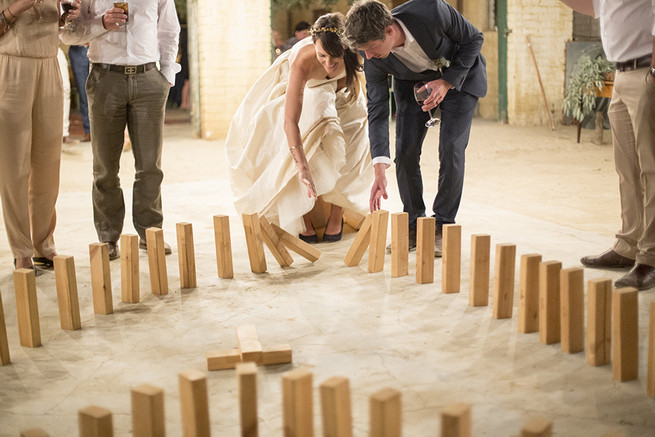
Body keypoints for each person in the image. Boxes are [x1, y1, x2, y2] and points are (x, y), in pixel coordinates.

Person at [344, 0, 486, 256]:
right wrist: (379, 163)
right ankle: (414, 224)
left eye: (371, 49)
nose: (368, 57)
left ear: (388, 31)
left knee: (451, 148)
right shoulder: (373, 59)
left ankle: (442, 225)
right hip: (412, 84)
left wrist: (446, 82)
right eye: (363, 51)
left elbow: (474, 39)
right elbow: (377, 110)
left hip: (459, 77)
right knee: (405, 152)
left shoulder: (430, 11)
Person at [225, 13, 372, 243]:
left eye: (335, 57)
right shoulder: (303, 60)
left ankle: (337, 214)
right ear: (314, 47)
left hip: (342, 91)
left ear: (346, 48)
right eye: (322, 55)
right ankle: (303, 217)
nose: (329, 64)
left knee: (355, 130)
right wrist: (301, 165)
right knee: (299, 131)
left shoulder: (358, 54)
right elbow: (290, 120)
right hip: (305, 87)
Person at [60, 0, 180, 260]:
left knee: (150, 165)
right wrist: (101, 23)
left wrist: (166, 74)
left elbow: (169, 30)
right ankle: (108, 237)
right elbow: (69, 33)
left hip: (148, 78)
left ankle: (151, 232)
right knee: (105, 167)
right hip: (105, 78)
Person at [559, 0, 655, 290]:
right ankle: (629, 245)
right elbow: (593, 6)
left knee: (651, 169)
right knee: (627, 169)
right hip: (622, 75)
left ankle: (650, 256)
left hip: (645, 73)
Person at [0, 0, 80, 273]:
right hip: (11, 67)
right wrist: (21, 5)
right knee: (14, 167)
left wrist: (65, 16)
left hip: (49, 64)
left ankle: (43, 246)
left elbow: (54, 27)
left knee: (48, 165)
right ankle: (21, 251)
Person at [68, 44, 90, 142]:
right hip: (78, 48)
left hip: (99, 47)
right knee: (83, 92)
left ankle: (105, 131)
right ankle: (89, 130)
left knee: (104, 94)